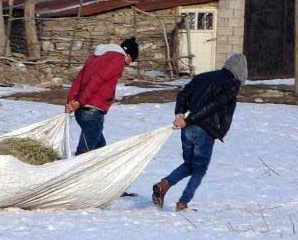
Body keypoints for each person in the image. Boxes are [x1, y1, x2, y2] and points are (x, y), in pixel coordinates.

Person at [152, 54, 246, 212]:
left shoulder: (203, 76)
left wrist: (180, 113)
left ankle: (164, 185)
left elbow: (183, 93)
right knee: (199, 169)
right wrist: (186, 119)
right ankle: (183, 203)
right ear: (241, 71)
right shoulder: (231, 84)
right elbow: (215, 105)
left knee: (190, 165)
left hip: (187, 129)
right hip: (203, 130)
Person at [65, 37, 139, 156]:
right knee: (83, 155)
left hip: (81, 111)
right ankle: (76, 173)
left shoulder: (95, 57)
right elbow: (97, 80)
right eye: (131, 59)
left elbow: (79, 79)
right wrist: (80, 102)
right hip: (92, 110)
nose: (129, 63)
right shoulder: (118, 59)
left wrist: (71, 101)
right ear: (128, 54)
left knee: (100, 147)